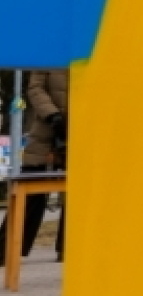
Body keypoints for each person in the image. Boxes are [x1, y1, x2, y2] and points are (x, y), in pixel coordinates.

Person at [0, 71, 67, 265]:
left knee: (80, 195)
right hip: (46, 130)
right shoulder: (49, 58)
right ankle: (5, 249)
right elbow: (35, 88)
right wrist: (52, 114)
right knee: (30, 191)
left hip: (82, 129)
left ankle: (69, 247)